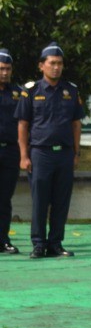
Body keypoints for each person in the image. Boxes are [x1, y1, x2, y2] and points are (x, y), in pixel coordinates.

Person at [17, 43, 85, 259]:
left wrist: (76, 153)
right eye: (52, 63)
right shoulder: (31, 91)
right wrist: (24, 156)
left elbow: (76, 124)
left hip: (64, 154)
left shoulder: (71, 91)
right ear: (41, 66)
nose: (56, 67)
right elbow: (23, 125)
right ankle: (38, 244)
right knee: (40, 201)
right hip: (40, 153)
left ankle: (55, 243)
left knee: (61, 201)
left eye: (60, 64)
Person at [0, 50, 23, 253]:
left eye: (8, 69)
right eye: (1, 69)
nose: (5, 73)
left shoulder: (18, 93)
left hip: (10, 151)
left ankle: (3, 240)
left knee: (5, 198)